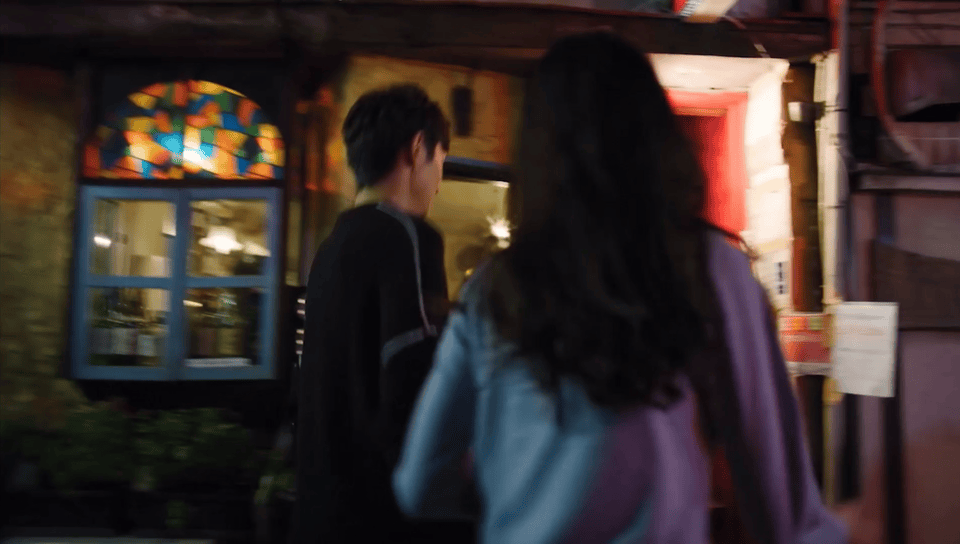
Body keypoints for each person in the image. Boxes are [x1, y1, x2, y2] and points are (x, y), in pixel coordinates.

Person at [392, 32, 849, 544]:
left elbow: (419, 484)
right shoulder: (709, 269)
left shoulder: (493, 289)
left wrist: (510, 489)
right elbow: (785, 509)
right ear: (655, 139)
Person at [290, 84, 474, 544]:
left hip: (321, 513)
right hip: (380, 519)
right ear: (417, 148)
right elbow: (416, 386)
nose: (438, 183)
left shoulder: (331, 248)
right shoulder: (407, 237)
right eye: (440, 163)